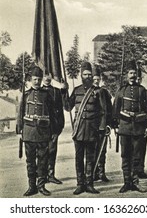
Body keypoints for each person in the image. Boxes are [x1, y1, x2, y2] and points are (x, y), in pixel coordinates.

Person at [62, 62, 107, 195]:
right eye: (85, 74)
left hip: (92, 130)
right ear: (81, 75)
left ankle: (89, 184)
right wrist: (64, 92)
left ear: (92, 76)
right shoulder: (76, 90)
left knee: (91, 158)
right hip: (79, 130)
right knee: (79, 158)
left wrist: (102, 127)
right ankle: (80, 184)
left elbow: (104, 112)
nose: (87, 77)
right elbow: (67, 107)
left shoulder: (98, 91)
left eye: (89, 74)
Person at [16, 66, 61, 196]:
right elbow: (20, 113)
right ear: (30, 80)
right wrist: (20, 129)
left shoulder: (47, 95)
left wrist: (54, 131)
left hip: (43, 133)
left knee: (43, 161)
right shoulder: (26, 94)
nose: (37, 81)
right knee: (30, 162)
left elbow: (52, 114)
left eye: (39, 79)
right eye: (35, 79)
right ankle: (32, 187)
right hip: (29, 132)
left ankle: (41, 186)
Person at [113, 60, 147, 193]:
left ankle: (135, 182)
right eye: (130, 73)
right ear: (126, 75)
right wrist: (115, 125)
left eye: (134, 73)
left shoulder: (143, 91)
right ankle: (127, 182)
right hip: (124, 128)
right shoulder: (121, 91)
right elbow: (115, 109)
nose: (132, 75)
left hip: (138, 128)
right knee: (125, 156)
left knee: (137, 156)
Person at [42, 73, 64, 184]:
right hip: (40, 128)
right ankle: (41, 176)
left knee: (52, 151)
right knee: (41, 152)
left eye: (48, 76)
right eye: (44, 76)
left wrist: (59, 128)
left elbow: (60, 111)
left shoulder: (56, 92)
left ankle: (51, 175)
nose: (47, 78)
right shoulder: (38, 91)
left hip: (53, 127)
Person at [92, 66, 113, 182]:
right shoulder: (88, 92)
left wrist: (109, 124)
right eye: (94, 79)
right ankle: (92, 173)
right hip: (91, 126)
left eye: (97, 79)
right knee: (92, 150)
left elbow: (109, 109)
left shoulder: (104, 92)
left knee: (102, 150)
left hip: (102, 125)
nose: (96, 81)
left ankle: (101, 172)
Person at [136, 68, 147, 179]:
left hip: (142, 125)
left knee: (142, 148)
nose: (137, 80)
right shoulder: (126, 91)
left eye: (139, 78)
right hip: (129, 125)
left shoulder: (145, 92)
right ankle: (132, 172)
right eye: (135, 78)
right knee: (131, 150)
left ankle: (140, 170)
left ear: (141, 79)